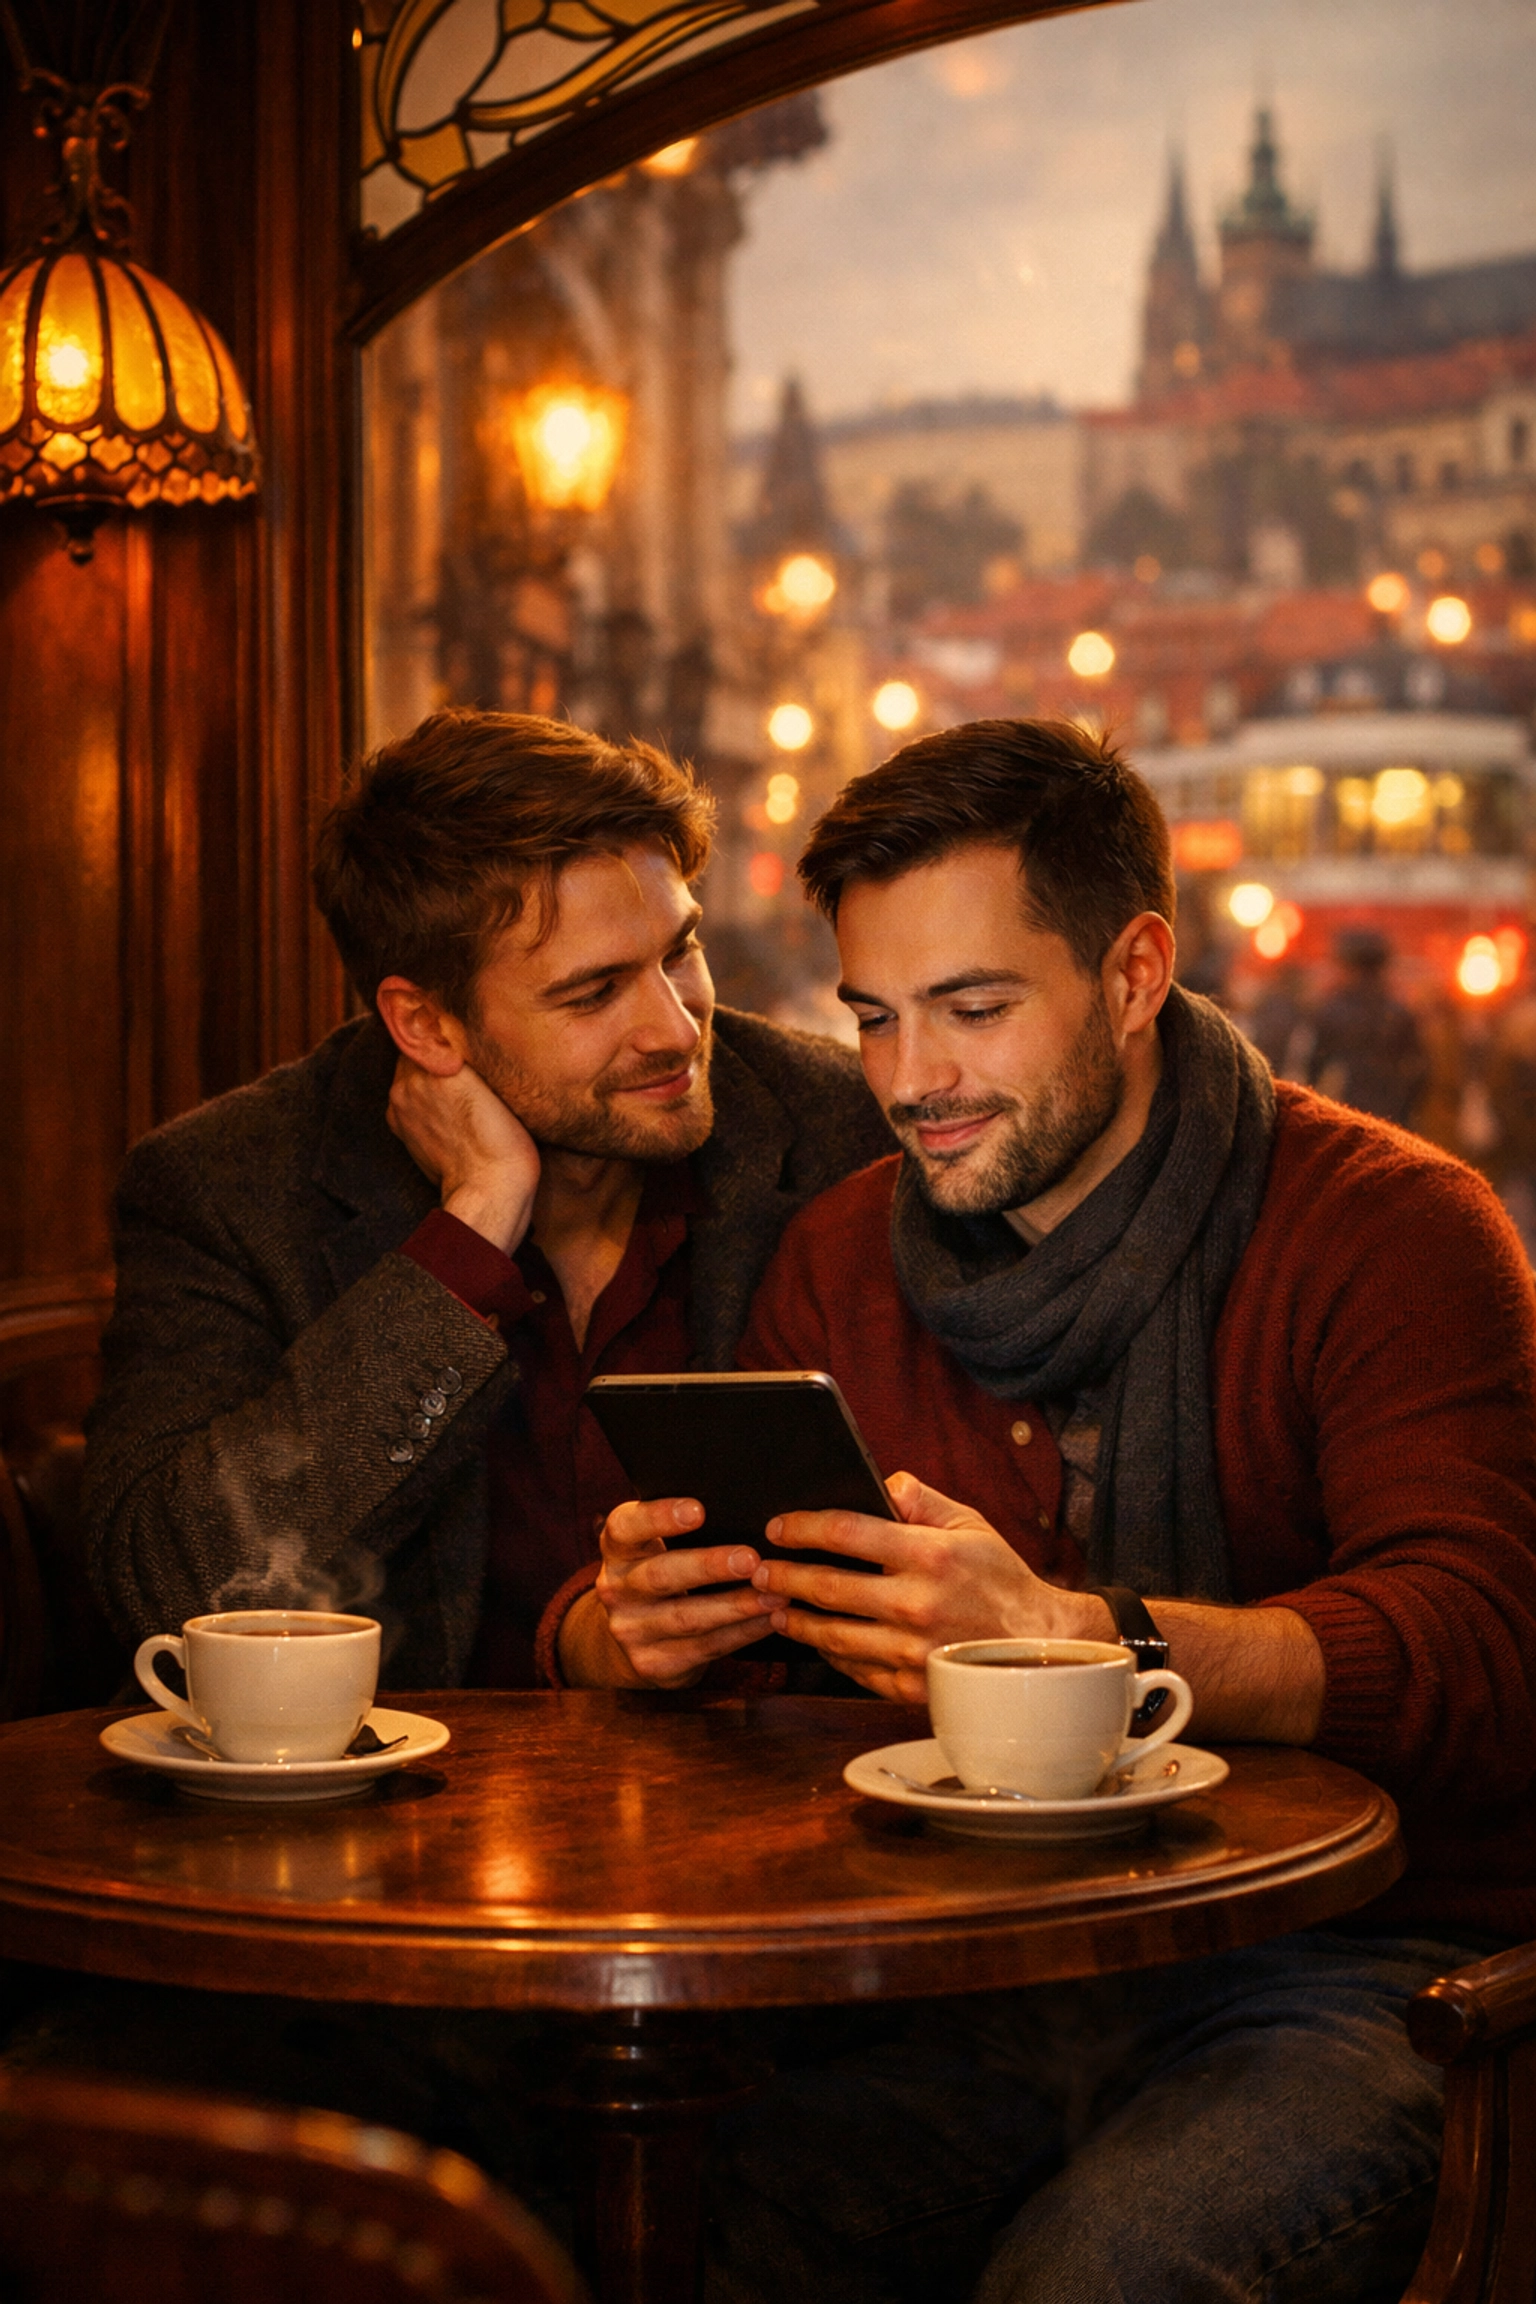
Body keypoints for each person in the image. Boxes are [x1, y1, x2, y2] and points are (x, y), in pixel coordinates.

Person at [584, 719, 1536, 2303]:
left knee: (1094, 2277)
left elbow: (1482, 1649)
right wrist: (659, 1624)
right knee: (687, 2231)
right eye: (874, 1018)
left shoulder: (1391, 1227)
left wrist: (1078, 1641)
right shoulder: (837, 1259)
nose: (911, 1081)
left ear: (1136, 973)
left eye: (974, 1010)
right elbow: (774, 1683)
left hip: (1372, 1960)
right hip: (989, 1958)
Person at [82, 709, 891, 1690]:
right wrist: (471, 1233)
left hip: (787, 1771)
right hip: (413, 1782)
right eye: (593, 993)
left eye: (679, 952)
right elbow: (170, 1588)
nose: (676, 1030)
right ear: (426, 1025)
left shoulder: (845, 1125)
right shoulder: (228, 1188)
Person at [1309, 924, 1426, 1124]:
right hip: (1392, 1117)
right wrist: (1405, 1105)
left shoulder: (1331, 1012)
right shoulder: (1399, 1012)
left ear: (1349, 965)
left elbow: (1314, 1070)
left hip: (1345, 1115)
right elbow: (1421, 1069)